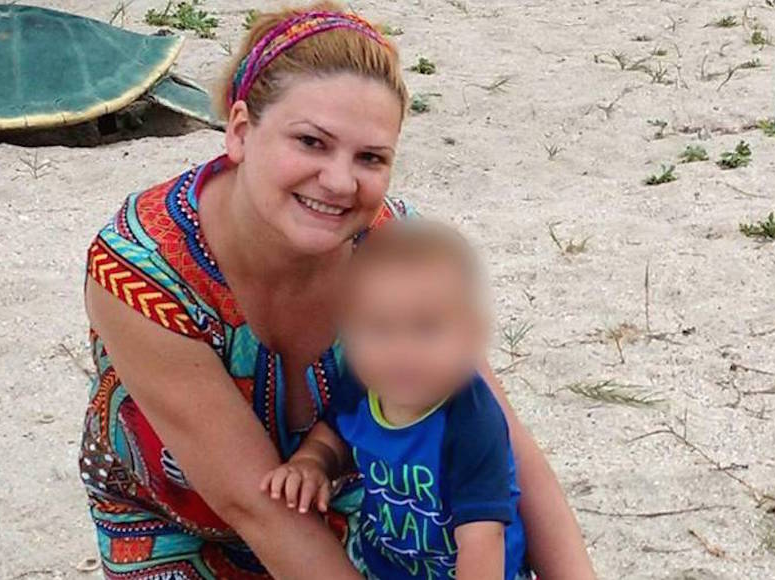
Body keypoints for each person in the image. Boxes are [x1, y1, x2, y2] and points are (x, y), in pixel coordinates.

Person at [79, 2, 596, 578]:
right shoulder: (143, 271)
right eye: (311, 142)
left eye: (370, 157)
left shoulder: (390, 245)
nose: (340, 181)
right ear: (241, 131)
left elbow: (502, 438)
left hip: (373, 511)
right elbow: (253, 504)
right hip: (180, 523)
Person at [262, 220, 526, 580]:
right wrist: (312, 462)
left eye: (426, 328)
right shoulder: (364, 388)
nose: (402, 352)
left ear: (469, 336)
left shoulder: (471, 423)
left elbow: (482, 538)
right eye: (380, 329)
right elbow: (334, 432)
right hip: (385, 561)